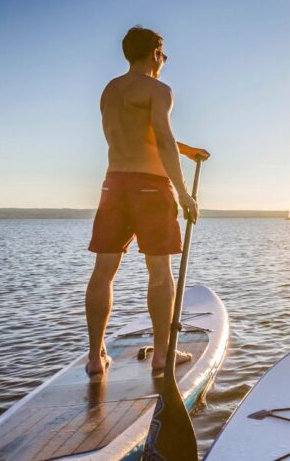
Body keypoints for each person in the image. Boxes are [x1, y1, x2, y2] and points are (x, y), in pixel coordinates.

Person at [84, 26, 199, 379]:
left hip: (114, 185)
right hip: (150, 187)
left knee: (103, 272)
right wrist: (183, 193)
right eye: (163, 55)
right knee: (160, 273)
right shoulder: (158, 89)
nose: (164, 61)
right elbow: (161, 137)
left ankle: (95, 357)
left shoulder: (110, 90)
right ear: (155, 54)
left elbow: (137, 133)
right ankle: (162, 355)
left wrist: (187, 150)